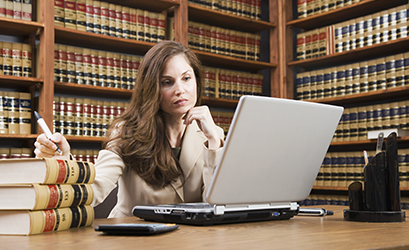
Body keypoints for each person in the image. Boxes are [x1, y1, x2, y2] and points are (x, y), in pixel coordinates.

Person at [34, 41, 225, 217]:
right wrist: (65, 162)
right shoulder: (127, 132)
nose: (180, 90)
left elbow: (217, 206)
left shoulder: (212, 135)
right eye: (167, 82)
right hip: (133, 239)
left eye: (186, 78)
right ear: (151, 88)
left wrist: (214, 143)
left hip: (191, 241)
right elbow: (93, 192)